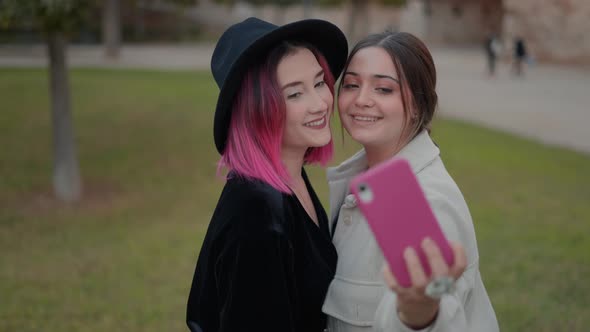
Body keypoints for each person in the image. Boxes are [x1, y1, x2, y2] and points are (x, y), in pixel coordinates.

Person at [322, 31, 499, 331]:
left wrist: (420, 313)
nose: (362, 99)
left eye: (384, 89)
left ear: (418, 103)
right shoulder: (361, 178)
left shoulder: (425, 201)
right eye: (351, 85)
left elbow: (440, 307)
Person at [186, 17, 347, 332]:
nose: (320, 103)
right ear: (257, 110)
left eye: (318, 83)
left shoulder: (290, 176)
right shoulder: (256, 212)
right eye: (294, 94)